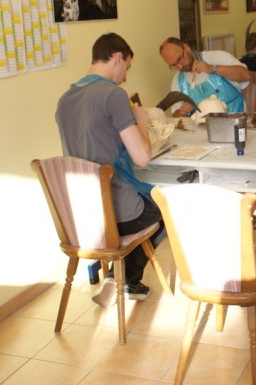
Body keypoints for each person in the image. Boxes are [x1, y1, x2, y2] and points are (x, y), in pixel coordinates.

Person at [56, 32, 164, 307]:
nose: (125, 77)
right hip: (117, 214)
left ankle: (118, 278)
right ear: (117, 58)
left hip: (81, 216)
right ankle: (124, 280)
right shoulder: (114, 95)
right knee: (166, 207)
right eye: (127, 67)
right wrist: (140, 121)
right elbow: (142, 158)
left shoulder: (65, 100)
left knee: (145, 203)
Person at [159, 37, 250, 117]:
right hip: (199, 129)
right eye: (174, 65)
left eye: (180, 59)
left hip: (235, 122)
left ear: (186, 47)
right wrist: (181, 112)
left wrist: (212, 68)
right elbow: (175, 113)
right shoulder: (178, 79)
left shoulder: (217, 57)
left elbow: (245, 75)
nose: (180, 66)